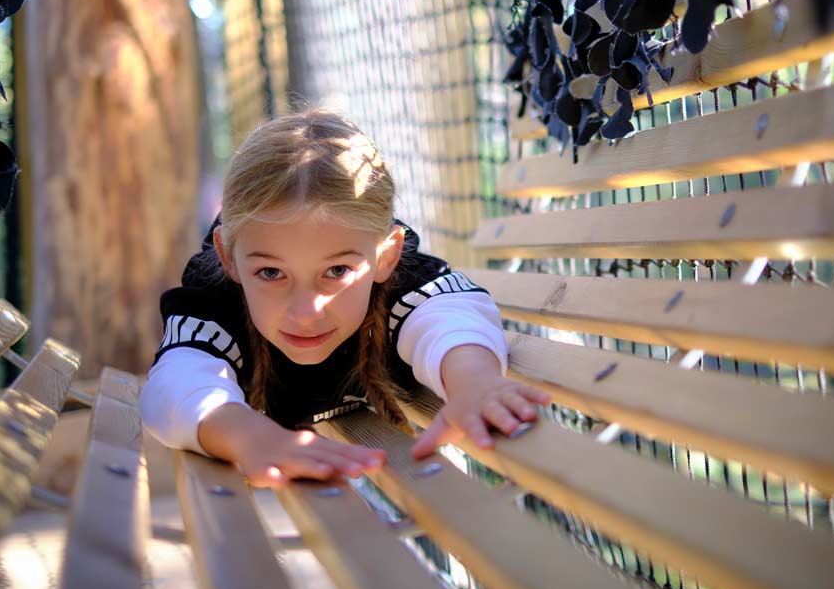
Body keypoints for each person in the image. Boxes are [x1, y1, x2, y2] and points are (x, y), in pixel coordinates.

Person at [139, 109, 549, 485]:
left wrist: (474, 382)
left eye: (337, 271)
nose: (306, 311)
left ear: (386, 256)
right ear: (229, 258)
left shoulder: (405, 286)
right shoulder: (216, 302)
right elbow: (175, 381)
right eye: (271, 273)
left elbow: (449, 317)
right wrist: (246, 434)